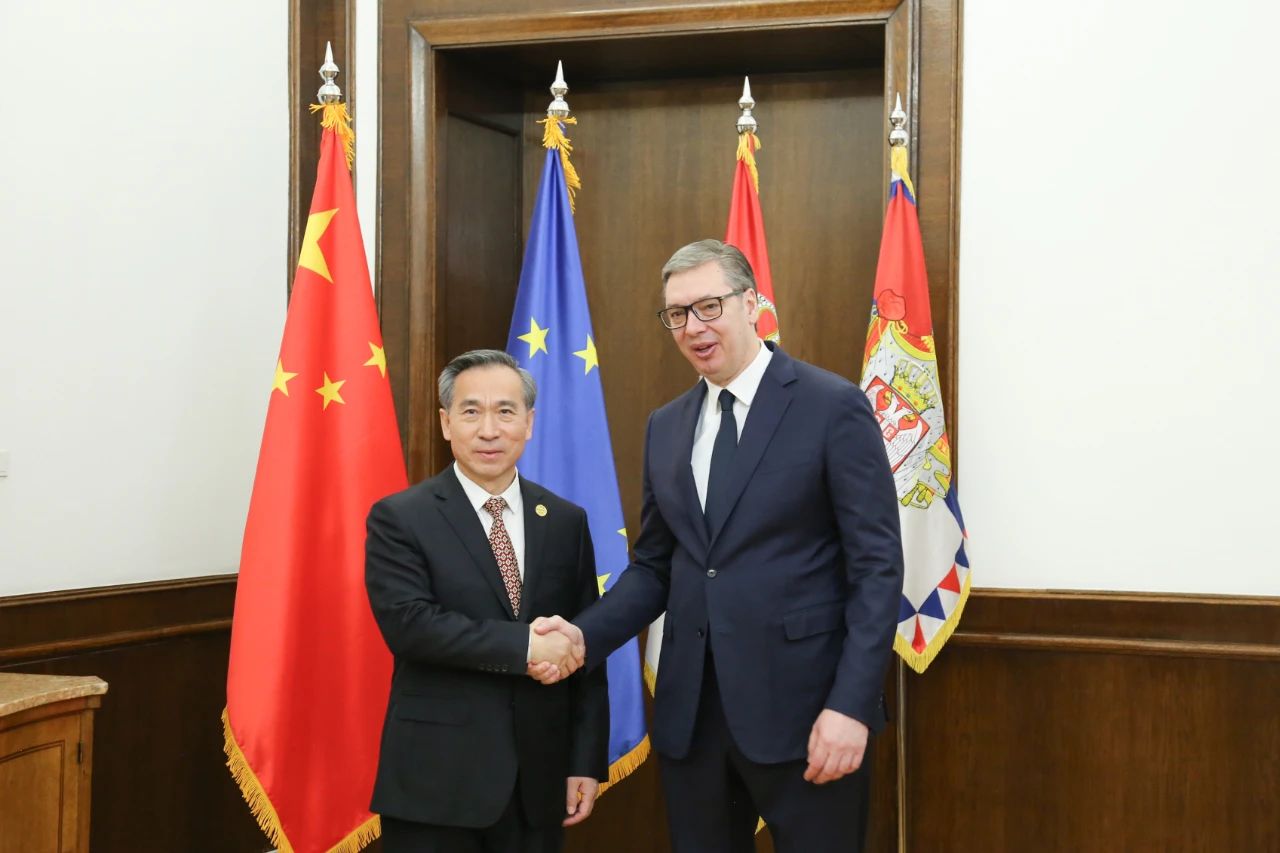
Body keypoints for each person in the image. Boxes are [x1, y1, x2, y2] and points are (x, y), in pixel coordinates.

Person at [536, 240, 904, 853]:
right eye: (677, 314)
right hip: (694, 720)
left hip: (809, 715)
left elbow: (877, 568)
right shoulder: (666, 425)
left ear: (751, 303)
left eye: (710, 306)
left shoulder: (831, 406)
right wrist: (581, 636)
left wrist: (851, 705)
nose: (693, 327)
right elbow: (656, 567)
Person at [364, 349, 608, 853]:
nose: (489, 430)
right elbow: (411, 625)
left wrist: (584, 760)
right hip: (436, 782)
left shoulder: (565, 521)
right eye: (471, 411)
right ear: (446, 423)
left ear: (529, 423)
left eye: (505, 411)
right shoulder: (401, 518)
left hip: (538, 782)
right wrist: (527, 647)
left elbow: (585, 644)